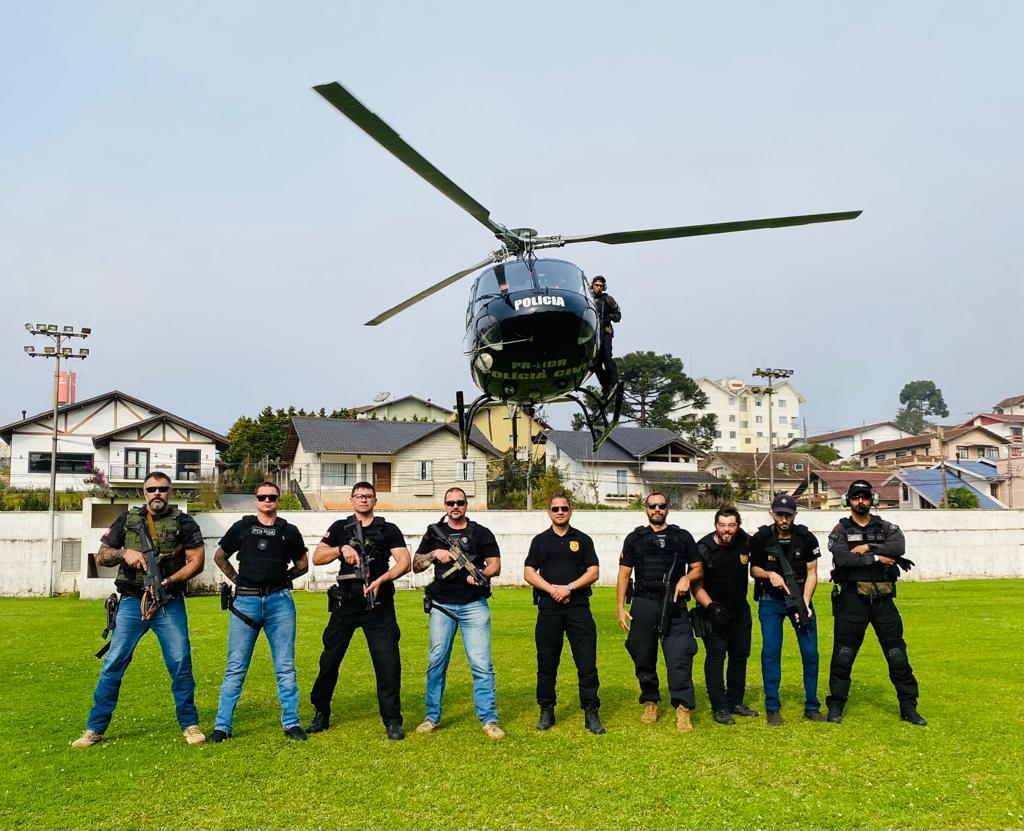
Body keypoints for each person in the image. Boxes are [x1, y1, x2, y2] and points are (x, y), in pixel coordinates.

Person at [71, 471, 206, 748]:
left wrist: (169, 581)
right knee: (114, 663)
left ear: (170, 491)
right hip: (132, 602)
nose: (157, 493)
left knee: (180, 662)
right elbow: (102, 555)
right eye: (151, 489)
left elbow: (197, 562)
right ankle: (94, 728)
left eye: (163, 489)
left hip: (168, 602)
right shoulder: (127, 519)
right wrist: (125, 553)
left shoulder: (184, 522)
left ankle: (190, 725)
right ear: (143, 492)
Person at [306, 482, 411, 740]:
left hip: (379, 605)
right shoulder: (339, 528)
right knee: (329, 661)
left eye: (368, 496)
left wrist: (382, 580)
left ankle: (392, 722)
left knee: (388, 664)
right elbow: (317, 557)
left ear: (375, 500)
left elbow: (405, 562)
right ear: (351, 500)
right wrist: (341, 549)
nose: (363, 500)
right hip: (346, 605)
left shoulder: (388, 529)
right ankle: (321, 712)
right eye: (359, 496)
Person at [209, 481, 309, 742]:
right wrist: (238, 580)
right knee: (236, 667)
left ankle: (291, 723)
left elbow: (303, 564)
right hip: (246, 603)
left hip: (280, 604)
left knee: (285, 667)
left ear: (278, 500)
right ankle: (222, 726)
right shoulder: (241, 527)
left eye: (272, 497)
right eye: (262, 497)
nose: (267, 501)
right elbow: (220, 556)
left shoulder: (289, 531)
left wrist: (285, 579)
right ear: (256, 500)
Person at [826, 480, 925, 726]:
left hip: (883, 600)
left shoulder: (886, 527)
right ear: (848, 500)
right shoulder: (840, 529)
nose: (861, 501)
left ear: (873, 500)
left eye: (865, 497)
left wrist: (868, 548)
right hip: (852, 601)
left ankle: (908, 707)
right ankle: (836, 705)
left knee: (896, 655)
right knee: (844, 655)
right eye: (856, 497)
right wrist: (878, 558)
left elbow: (898, 546)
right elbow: (843, 558)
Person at [412, 487, 504, 739]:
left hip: (474, 605)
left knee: (482, 665)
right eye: (450, 502)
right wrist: (434, 554)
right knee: (436, 663)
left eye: (460, 502)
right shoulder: (434, 533)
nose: (455, 506)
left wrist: (482, 575)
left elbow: (495, 563)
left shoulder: (481, 533)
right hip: (441, 605)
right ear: (444, 505)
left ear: (466, 505)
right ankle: (432, 717)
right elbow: (415, 565)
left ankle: (489, 719)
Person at [616, 492, 702, 732]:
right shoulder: (635, 538)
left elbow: (697, 568)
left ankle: (683, 709)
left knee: (680, 656)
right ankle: (651, 700)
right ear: (646, 509)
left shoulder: (682, 537)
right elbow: (624, 574)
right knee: (642, 655)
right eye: (652, 506)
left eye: (661, 506)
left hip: (675, 605)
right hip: (643, 603)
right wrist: (620, 607)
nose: (657, 509)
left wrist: (686, 577)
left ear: (667, 509)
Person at [523, 494, 605, 734]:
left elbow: (594, 571)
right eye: (555, 508)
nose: (560, 512)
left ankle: (591, 711)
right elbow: (529, 572)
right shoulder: (540, 541)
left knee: (586, 662)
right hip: (549, 609)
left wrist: (569, 588)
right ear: (548, 512)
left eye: (564, 508)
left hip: (578, 608)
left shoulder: (583, 539)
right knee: (547, 663)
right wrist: (552, 590)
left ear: (571, 511)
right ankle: (546, 710)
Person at [749, 494, 824, 726]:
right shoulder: (761, 538)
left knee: (810, 653)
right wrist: (769, 574)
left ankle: (812, 706)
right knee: (771, 651)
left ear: (794, 515)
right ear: (772, 514)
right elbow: (754, 570)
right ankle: (772, 707)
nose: (784, 519)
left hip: (800, 599)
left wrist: (805, 602)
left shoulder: (806, 538)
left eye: (788, 515)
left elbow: (812, 573)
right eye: (780, 514)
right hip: (771, 601)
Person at [692, 506, 758, 725]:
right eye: (722, 525)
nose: (727, 530)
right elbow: (696, 585)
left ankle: (735, 702)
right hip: (713, 612)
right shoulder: (703, 548)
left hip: (740, 611)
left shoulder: (745, 542)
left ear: (737, 526)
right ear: (715, 526)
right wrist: (711, 607)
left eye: (731, 525)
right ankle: (719, 707)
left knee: (740, 657)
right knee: (716, 658)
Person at [589, 275, 621, 398]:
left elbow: (618, 315)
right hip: (592, 335)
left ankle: (614, 382)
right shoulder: (587, 298)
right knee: (595, 364)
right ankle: (606, 386)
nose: (599, 288)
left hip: (605, 333)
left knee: (607, 358)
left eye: (601, 286)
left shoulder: (608, 299)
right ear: (592, 285)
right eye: (597, 285)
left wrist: (610, 317)